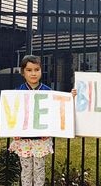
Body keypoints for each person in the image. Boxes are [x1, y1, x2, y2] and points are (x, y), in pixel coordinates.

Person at [9, 55, 76, 186]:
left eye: (36, 69)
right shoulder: (17, 93)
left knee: (39, 170)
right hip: (24, 139)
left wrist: (70, 97)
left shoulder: (48, 92)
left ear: (41, 71)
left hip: (41, 139)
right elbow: (13, 114)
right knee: (26, 170)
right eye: (29, 70)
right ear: (23, 72)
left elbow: (58, 109)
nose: (33, 73)